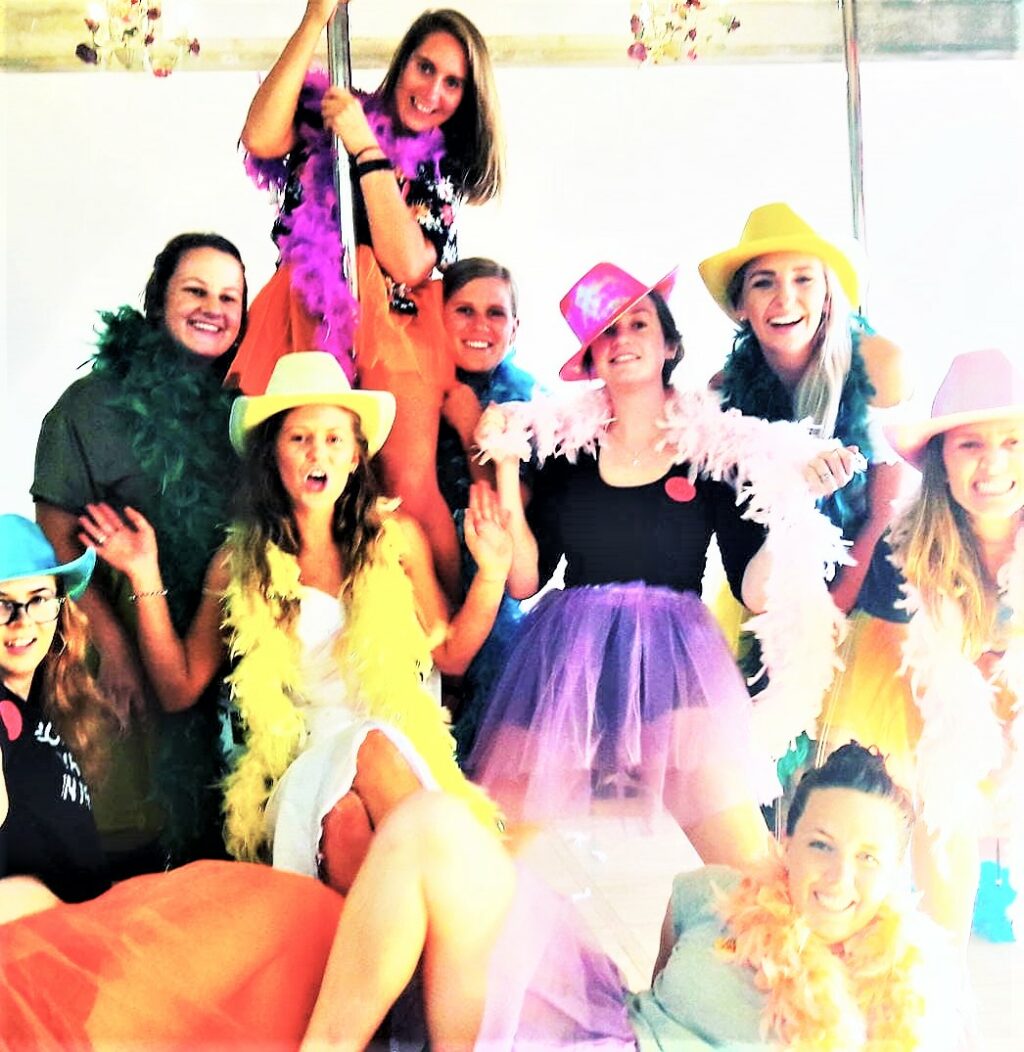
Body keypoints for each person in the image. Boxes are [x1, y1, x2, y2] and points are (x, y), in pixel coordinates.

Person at [465, 262, 864, 866]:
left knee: (744, 861)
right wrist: (504, 465)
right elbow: (525, 578)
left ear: (669, 343)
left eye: (639, 325)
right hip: (566, 665)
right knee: (493, 850)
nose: (622, 340)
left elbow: (754, 591)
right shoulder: (566, 452)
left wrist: (793, 508)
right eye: (607, 333)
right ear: (593, 358)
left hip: (674, 666)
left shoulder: (711, 451)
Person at [80, 351, 509, 893]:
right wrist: (144, 573)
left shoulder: (397, 540)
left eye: (334, 438)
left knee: (360, 788)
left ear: (356, 455)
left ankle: (423, 947)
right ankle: (461, 910)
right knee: (345, 801)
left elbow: (452, 656)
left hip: (396, 757)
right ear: (274, 456)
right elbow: (177, 687)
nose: (318, 453)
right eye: (299, 438)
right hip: (299, 765)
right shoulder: (240, 562)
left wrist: (491, 576)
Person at [301, 743, 958, 1050]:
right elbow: (655, 973)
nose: (840, 875)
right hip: (601, 1034)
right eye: (821, 844)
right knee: (432, 825)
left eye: (868, 857)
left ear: (897, 870)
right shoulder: (719, 894)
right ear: (785, 839)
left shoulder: (888, 1010)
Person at [0, 513, 349, 1047]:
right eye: (1, 604)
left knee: (297, 926)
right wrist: (43, 911)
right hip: (43, 976)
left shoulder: (45, 715)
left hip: (90, 965)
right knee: (291, 914)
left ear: (60, 607)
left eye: (38, 599)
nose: (22, 622)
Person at [229, 0, 505, 602]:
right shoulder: (332, 113)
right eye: (425, 67)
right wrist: (315, 21)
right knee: (295, 481)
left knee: (405, 483)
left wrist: (364, 147)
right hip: (303, 308)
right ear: (403, 62)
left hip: (400, 323)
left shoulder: (435, 176)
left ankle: (441, 646)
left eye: (453, 82)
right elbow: (260, 136)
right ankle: (292, 623)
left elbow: (407, 262)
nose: (433, 90)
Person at [31, 231, 249, 870]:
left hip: (215, 655)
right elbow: (55, 526)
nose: (213, 308)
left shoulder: (245, 407)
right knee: (127, 843)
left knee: (216, 846)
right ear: (159, 300)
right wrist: (117, 648)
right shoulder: (94, 405)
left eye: (230, 297)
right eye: (196, 291)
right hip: (117, 652)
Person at [817, 348, 1023, 946]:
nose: (993, 465)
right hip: (926, 704)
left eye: (1012, 442)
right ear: (940, 459)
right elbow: (919, 686)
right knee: (943, 813)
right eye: (970, 445)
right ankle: (940, 966)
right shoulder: (901, 549)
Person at [699, 202, 910, 617]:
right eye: (764, 283)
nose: (785, 299)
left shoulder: (878, 367)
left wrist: (840, 600)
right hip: (777, 581)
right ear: (741, 304)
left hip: (873, 582)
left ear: (829, 296)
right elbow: (740, 524)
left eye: (803, 279)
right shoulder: (724, 394)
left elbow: (886, 509)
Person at [436, 257, 539, 757]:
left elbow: (512, 515)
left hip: (492, 611)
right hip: (417, 596)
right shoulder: (412, 393)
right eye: (464, 310)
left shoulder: (528, 409)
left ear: (515, 328)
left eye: (496, 313)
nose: (480, 326)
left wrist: (468, 425)